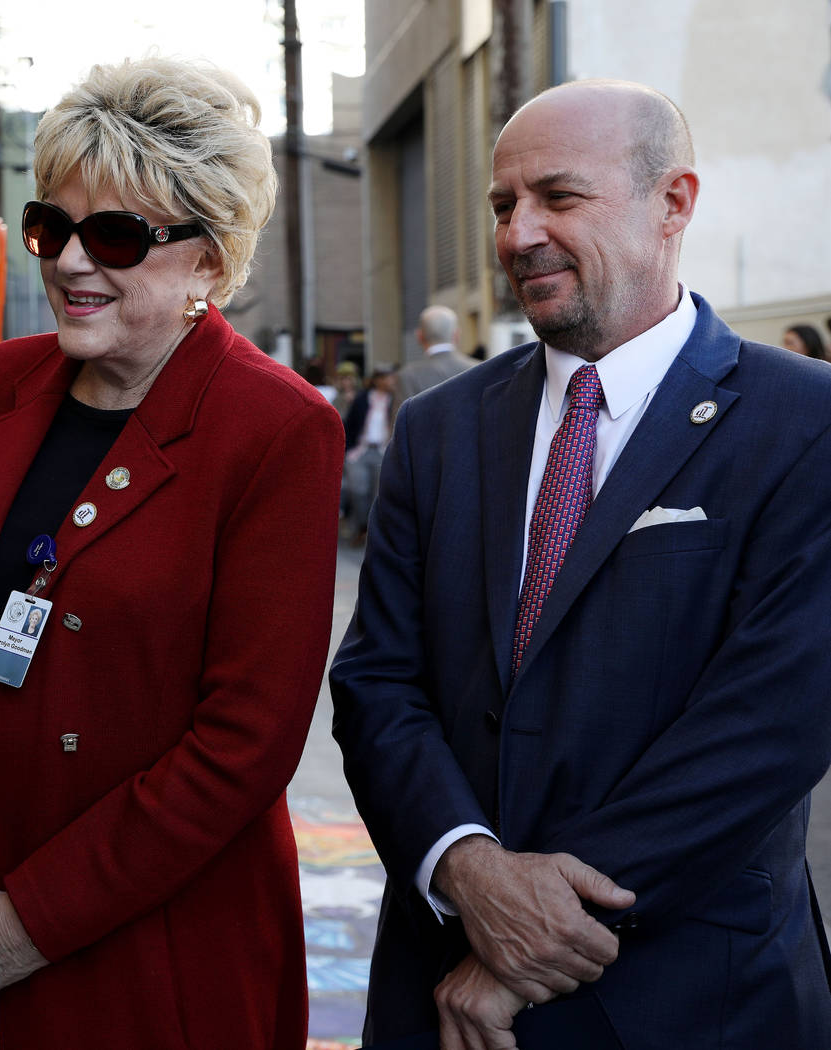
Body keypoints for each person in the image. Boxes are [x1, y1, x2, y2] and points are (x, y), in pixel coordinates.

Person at [330, 78, 831, 1050]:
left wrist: (527, 937)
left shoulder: (802, 423)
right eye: (501, 205)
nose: (517, 234)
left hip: (688, 1001)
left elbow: (763, 730)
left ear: (672, 202)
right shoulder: (437, 432)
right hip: (439, 992)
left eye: (557, 198)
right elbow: (376, 682)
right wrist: (468, 872)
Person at [0, 56, 344, 1050]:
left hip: (152, 971)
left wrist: (26, 925)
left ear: (209, 262)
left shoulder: (274, 427)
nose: (71, 261)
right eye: (52, 226)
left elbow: (243, 745)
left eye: (117, 235)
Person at [392, 305, 477, 425]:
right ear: (457, 334)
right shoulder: (477, 368)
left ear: (419, 336)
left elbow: (398, 431)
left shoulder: (407, 376)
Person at [342, 365, 395, 544]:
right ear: (377, 380)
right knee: (358, 490)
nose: (390, 381)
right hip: (360, 451)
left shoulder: (395, 399)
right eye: (387, 378)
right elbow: (349, 424)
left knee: (378, 494)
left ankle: (372, 534)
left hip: (384, 451)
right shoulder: (363, 398)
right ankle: (362, 526)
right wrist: (347, 449)